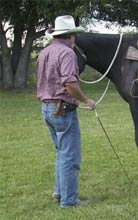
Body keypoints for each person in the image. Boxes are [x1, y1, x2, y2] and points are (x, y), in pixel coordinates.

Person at [37, 15, 95, 208]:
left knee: (62, 153)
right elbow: (69, 83)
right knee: (70, 156)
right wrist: (86, 100)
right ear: (71, 36)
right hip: (63, 109)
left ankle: (59, 192)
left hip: (47, 108)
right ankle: (69, 201)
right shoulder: (68, 53)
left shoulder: (45, 52)